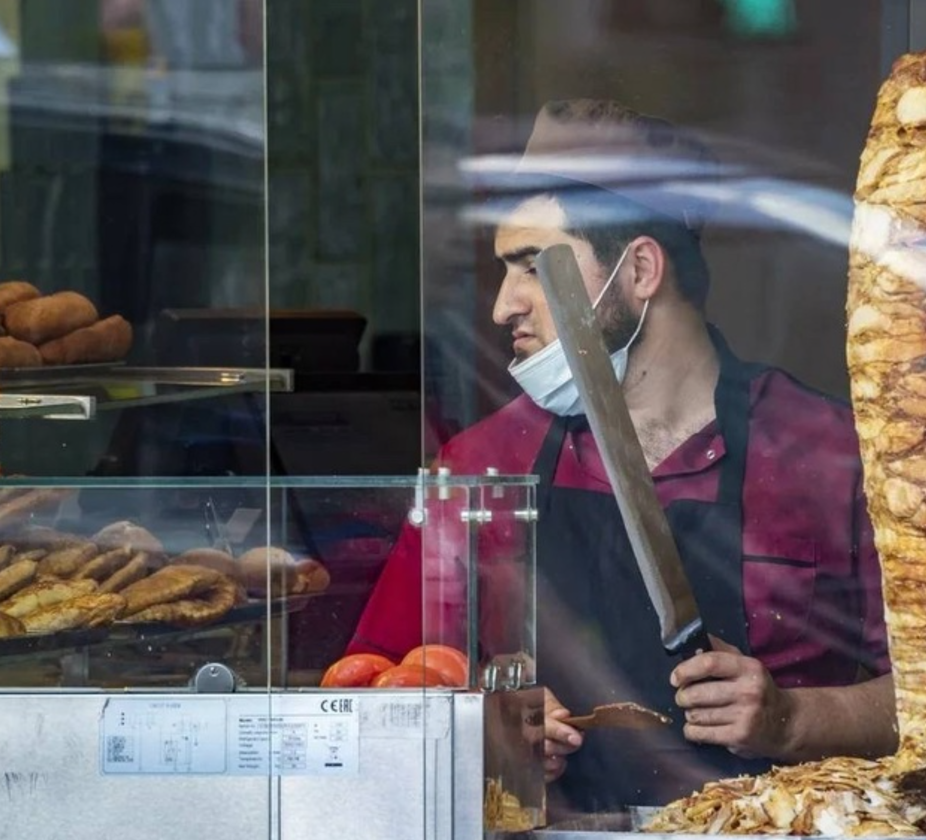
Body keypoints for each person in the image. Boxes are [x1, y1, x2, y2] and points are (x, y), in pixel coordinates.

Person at [346, 99, 895, 813]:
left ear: (639, 269)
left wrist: (794, 720)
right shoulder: (481, 466)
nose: (502, 307)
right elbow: (369, 698)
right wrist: (485, 726)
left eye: (532, 268)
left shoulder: (828, 456)